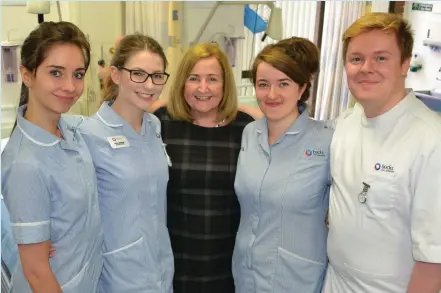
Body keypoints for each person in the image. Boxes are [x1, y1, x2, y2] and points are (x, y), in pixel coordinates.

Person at [323, 12, 441, 293]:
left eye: (381, 58)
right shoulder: (347, 123)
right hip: (334, 284)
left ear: (405, 64)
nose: (366, 68)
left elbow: (433, 264)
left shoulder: (430, 140)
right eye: (356, 59)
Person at [1, 21, 103, 293]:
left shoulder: (70, 130)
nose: (70, 86)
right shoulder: (26, 163)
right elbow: (36, 273)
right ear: (27, 75)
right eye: (56, 73)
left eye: (78, 74)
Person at [150, 43, 254, 293]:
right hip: (173, 260)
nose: (203, 88)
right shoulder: (161, 121)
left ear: (225, 85)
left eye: (213, 79)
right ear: (182, 82)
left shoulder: (246, 129)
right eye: (194, 78)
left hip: (228, 263)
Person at [232, 37, 333, 293]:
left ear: (302, 88)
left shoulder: (328, 140)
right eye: (263, 84)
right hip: (246, 273)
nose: (272, 94)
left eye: (283, 84)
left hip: (297, 280)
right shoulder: (249, 134)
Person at [78, 34, 174, 293]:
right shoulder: (89, 135)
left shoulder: (154, 126)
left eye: (157, 76)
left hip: (161, 269)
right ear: (116, 75)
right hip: (116, 277)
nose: (149, 84)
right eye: (138, 74)